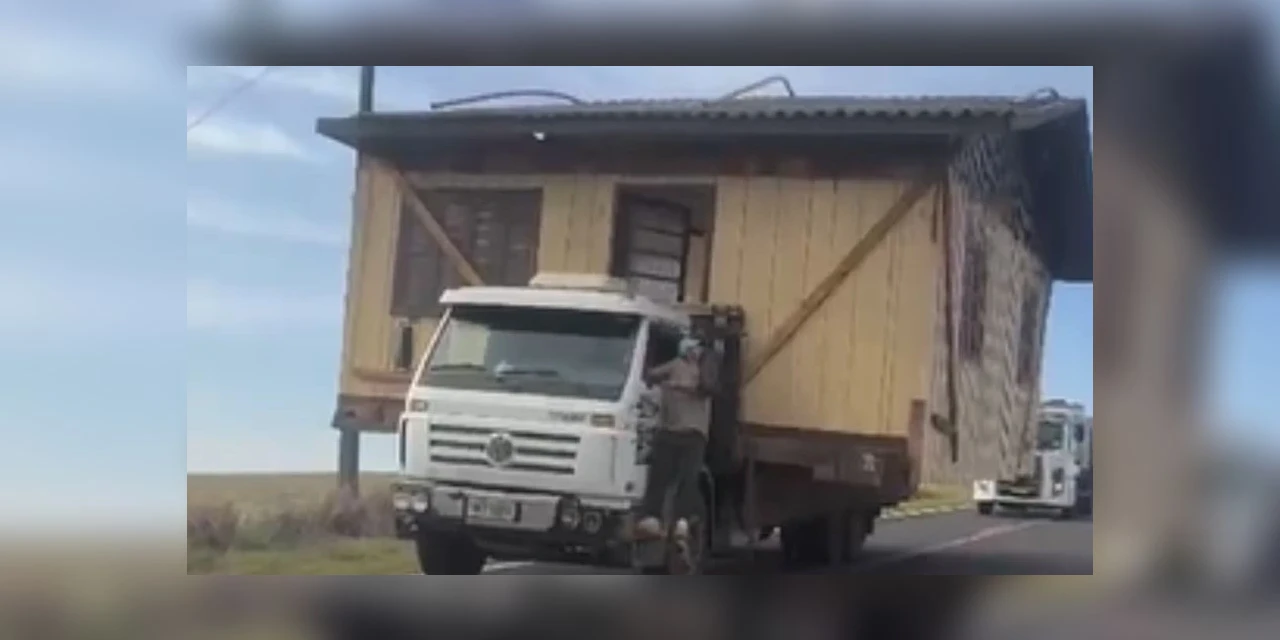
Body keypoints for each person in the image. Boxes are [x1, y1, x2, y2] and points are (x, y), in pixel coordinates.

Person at [635, 335, 714, 544]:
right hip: (670, 430)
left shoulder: (705, 369)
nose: (694, 352)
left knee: (688, 480)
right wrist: (649, 374)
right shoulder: (675, 365)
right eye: (692, 349)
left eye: (696, 349)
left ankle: (682, 522)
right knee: (659, 476)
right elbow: (651, 374)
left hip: (694, 433)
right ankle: (652, 519)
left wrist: (674, 386)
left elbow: (705, 388)